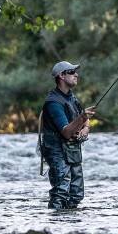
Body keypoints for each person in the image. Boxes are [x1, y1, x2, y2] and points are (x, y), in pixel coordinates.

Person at [40, 61, 96, 210]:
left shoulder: (71, 97)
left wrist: (86, 128)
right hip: (57, 151)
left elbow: (85, 119)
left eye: (75, 71)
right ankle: (55, 227)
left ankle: (70, 225)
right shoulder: (53, 103)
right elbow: (66, 132)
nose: (76, 74)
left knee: (76, 193)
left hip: (72, 150)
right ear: (61, 76)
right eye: (71, 72)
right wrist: (83, 118)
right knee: (61, 192)